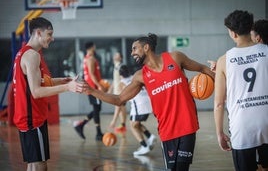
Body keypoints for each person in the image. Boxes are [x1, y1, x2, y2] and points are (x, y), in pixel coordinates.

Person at [83, 33, 215, 171]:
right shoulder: (140, 76)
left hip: (187, 125)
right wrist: (91, 90)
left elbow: (202, 68)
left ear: (146, 47)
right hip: (167, 130)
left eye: (134, 48)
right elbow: (119, 99)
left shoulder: (175, 58)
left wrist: (226, 84)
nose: (132, 52)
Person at [12, 17, 84, 171]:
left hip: (27, 117)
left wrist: (64, 81)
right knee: (40, 164)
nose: (52, 38)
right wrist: (68, 88)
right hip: (32, 118)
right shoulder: (32, 56)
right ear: (38, 33)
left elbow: (40, 82)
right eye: (49, 34)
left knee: (33, 163)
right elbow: (36, 92)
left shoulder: (23, 53)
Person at [214, 10, 268, 171]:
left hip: (242, 126)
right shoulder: (267, 51)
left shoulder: (224, 61)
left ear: (232, 33)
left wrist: (219, 133)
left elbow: (218, 103)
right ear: (251, 27)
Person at [119, 64, 157, 156]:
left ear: (120, 75)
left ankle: (144, 146)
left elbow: (122, 98)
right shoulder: (135, 77)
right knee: (136, 124)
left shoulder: (121, 83)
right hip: (148, 100)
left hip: (139, 104)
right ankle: (150, 136)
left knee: (132, 126)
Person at [73, 42, 105, 141]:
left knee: (97, 109)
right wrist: (100, 86)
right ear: (92, 47)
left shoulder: (87, 58)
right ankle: (98, 133)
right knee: (96, 109)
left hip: (91, 86)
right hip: (93, 87)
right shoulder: (90, 59)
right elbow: (92, 74)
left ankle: (81, 126)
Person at [108, 52, 127, 133]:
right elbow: (115, 80)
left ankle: (113, 122)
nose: (115, 56)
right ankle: (123, 125)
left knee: (118, 106)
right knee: (122, 109)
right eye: (114, 55)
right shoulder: (115, 66)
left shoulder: (121, 66)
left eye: (117, 55)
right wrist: (110, 89)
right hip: (116, 90)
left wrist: (123, 90)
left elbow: (123, 80)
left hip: (120, 91)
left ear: (121, 58)